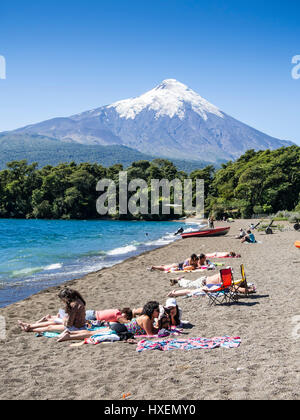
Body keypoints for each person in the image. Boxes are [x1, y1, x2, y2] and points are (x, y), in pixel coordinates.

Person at [56, 301, 162, 342]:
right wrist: (160, 326)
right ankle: (69, 336)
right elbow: (150, 334)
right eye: (157, 310)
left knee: (92, 333)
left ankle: (70, 333)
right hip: (121, 329)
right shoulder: (146, 319)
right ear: (152, 311)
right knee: (91, 334)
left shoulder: (146, 317)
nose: (158, 312)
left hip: (119, 327)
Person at [18, 288, 87, 334]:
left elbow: (69, 324)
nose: (62, 301)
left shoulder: (73, 305)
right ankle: (30, 325)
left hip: (76, 328)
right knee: (53, 321)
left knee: (50, 327)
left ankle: (29, 329)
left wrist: (64, 320)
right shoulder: (78, 300)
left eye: (62, 299)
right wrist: (65, 318)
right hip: (78, 324)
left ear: (66, 298)